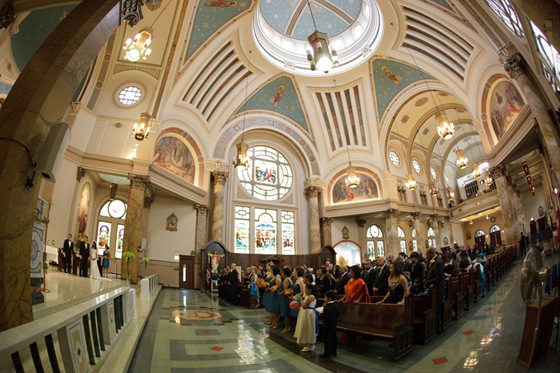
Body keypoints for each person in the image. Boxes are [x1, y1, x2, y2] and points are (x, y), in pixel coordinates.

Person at [293, 284, 318, 352]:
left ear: (310, 290)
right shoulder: (307, 296)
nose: (305, 290)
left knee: (309, 328)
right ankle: (306, 343)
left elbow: (304, 305)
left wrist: (301, 299)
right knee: (304, 328)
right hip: (305, 313)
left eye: (306, 289)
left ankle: (310, 344)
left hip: (308, 313)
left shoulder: (311, 296)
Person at [425, 248, 445, 332]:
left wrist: (427, 282)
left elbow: (438, 278)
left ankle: (439, 326)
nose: (426, 256)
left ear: (431, 253)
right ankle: (435, 325)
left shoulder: (438, 262)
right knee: (435, 307)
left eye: (427, 254)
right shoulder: (433, 261)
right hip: (433, 289)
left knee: (438, 308)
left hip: (437, 290)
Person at [318, 290, 339, 358]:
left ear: (329, 298)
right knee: (333, 338)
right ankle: (333, 351)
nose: (324, 299)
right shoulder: (336, 306)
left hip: (327, 325)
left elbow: (324, 317)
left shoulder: (327, 307)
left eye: (325, 297)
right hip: (334, 324)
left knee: (327, 339)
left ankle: (327, 353)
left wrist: (321, 313)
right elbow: (338, 315)